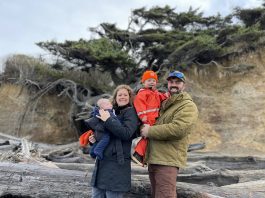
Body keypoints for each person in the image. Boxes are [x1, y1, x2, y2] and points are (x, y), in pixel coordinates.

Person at [140, 71, 198, 198]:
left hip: (168, 161)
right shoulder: (165, 104)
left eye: (178, 82)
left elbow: (178, 129)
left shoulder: (187, 106)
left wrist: (149, 131)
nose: (174, 85)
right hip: (155, 158)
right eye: (171, 82)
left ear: (184, 85)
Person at [89, 85, 139, 198]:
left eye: (125, 95)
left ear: (130, 97)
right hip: (102, 162)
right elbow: (101, 131)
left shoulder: (131, 112)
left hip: (117, 163)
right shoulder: (110, 110)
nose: (122, 97)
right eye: (119, 95)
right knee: (96, 195)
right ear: (115, 97)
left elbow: (126, 134)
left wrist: (108, 119)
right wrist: (94, 139)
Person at [132, 70, 168, 166]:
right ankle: (138, 154)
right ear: (143, 83)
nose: (151, 82)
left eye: (153, 80)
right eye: (149, 80)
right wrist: (142, 116)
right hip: (148, 119)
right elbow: (139, 104)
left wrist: (167, 96)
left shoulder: (156, 93)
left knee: (151, 138)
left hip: (155, 119)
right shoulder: (142, 93)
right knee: (147, 137)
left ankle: (144, 156)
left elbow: (162, 97)